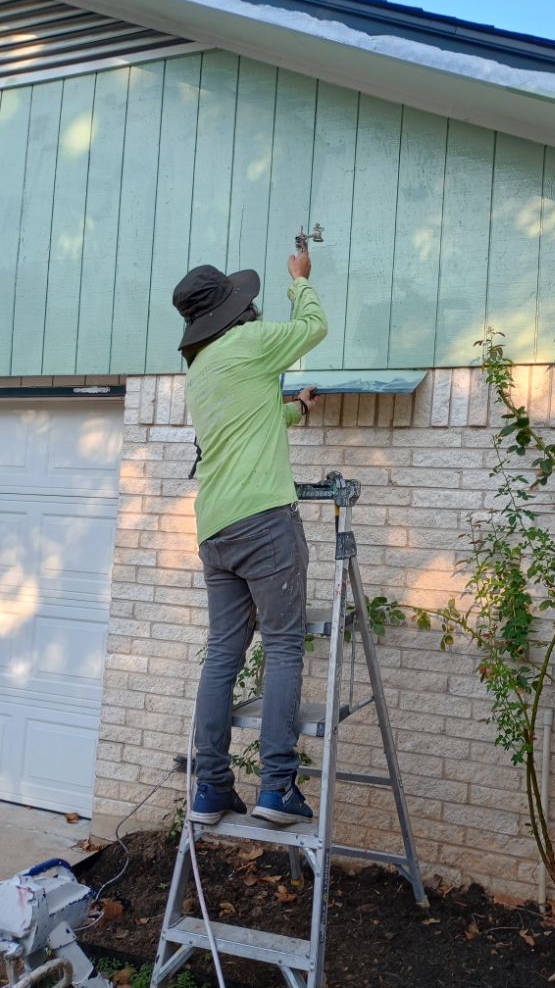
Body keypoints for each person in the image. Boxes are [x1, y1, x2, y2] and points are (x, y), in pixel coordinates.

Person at [171, 250, 326, 825]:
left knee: (223, 657)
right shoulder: (253, 341)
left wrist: (295, 411)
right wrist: (300, 282)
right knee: (284, 645)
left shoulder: (201, 369)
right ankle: (277, 789)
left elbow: (246, 423)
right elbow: (314, 327)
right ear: (237, 310)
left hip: (215, 528)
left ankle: (211, 789)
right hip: (264, 522)